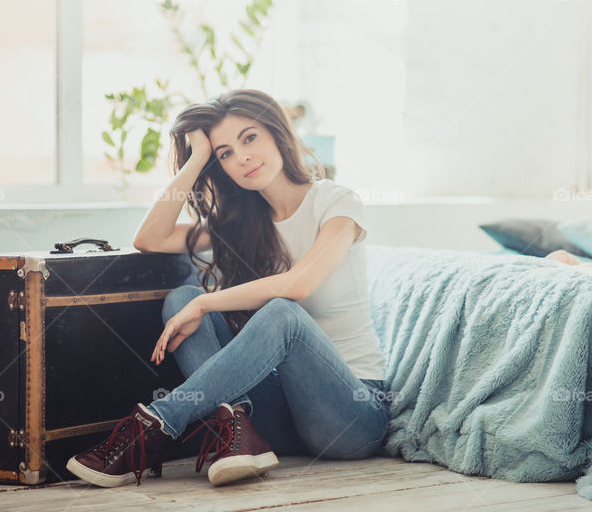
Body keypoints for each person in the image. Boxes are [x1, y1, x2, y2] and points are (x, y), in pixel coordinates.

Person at [66, 89, 389, 488]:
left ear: (276, 133)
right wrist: (196, 158)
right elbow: (150, 237)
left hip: (350, 415)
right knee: (180, 299)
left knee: (282, 312)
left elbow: (300, 284)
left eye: (249, 138)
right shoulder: (240, 222)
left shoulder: (337, 202)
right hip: (278, 417)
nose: (242, 158)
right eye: (225, 154)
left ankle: (155, 422)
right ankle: (238, 432)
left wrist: (207, 302)